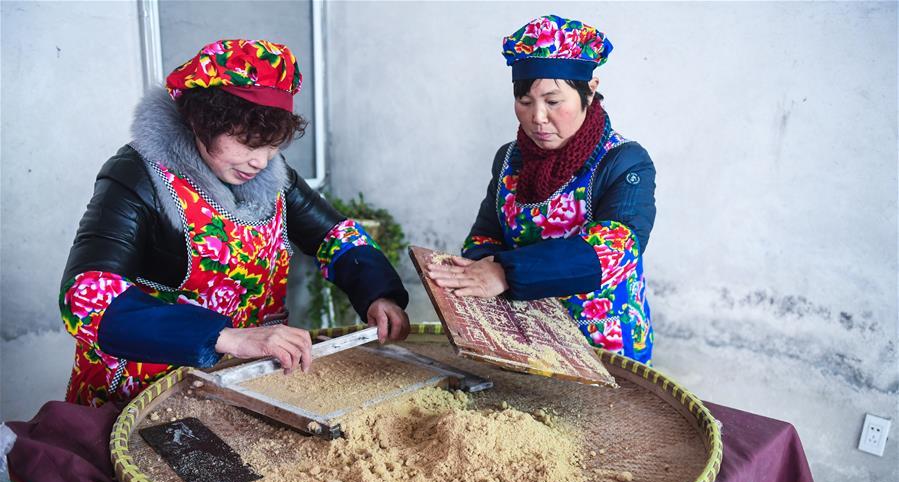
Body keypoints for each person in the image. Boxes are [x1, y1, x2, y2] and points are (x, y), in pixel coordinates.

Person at [60, 39, 410, 407]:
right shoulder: (137, 177)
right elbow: (85, 297)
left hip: (240, 380)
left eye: (272, 146)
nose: (259, 161)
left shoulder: (271, 177)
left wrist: (378, 293)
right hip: (148, 388)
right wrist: (229, 338)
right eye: (246, 143)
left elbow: (333, 235)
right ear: (201, 122)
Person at [428, 16, 655, 364]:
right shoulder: (509, 160)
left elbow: (615, 252)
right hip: (525, 337)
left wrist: (504, 272)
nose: (537, 117)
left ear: (589, 90)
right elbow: (485, 236)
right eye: (524, 100)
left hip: (602, 348)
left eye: (552, 101)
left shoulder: (624, 162)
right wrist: (474, 270)